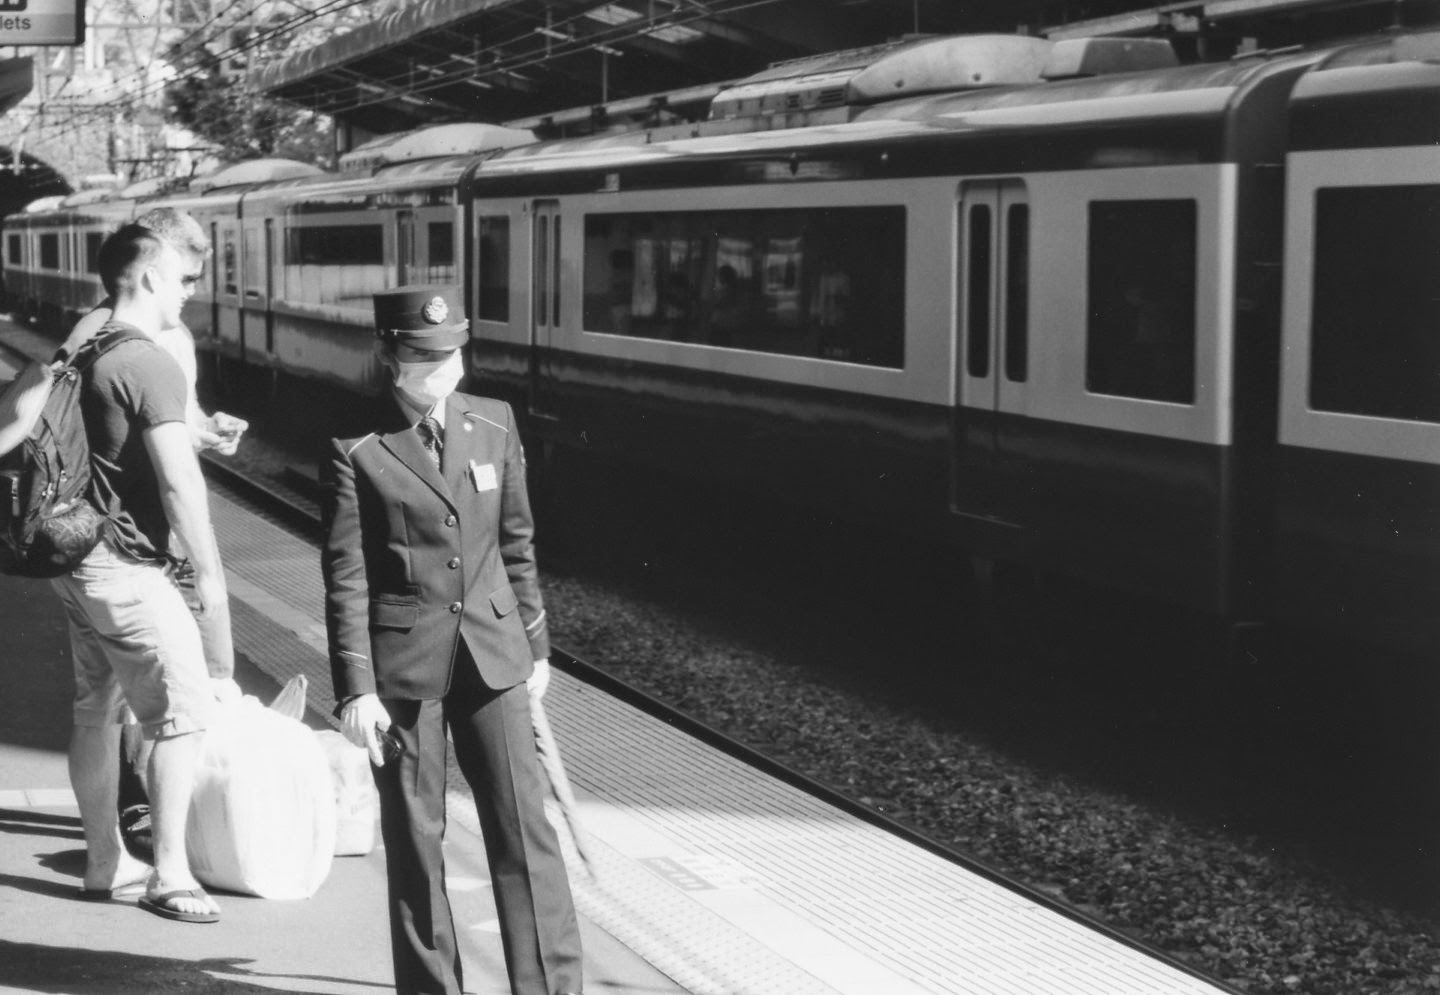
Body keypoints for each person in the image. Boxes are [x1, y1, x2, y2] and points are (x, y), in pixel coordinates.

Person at [320, 285, 583, 995]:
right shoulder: (354, 445)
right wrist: (356, 690)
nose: (443, 368)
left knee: (525, 832)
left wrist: (536, 647)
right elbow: (346, 574)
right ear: (391, 356)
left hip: (494, 655)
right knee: (416, 840)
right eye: (425, 356)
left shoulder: (494, 422)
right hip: (403, 668)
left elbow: (517, 544)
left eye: (453, 354)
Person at [50, 222, 236, 923]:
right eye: (184, 279)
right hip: (126, 567)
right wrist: (210, 579)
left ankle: (106, 861)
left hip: (76, 558)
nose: (190, 293)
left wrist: (196, 429)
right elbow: (179, 484)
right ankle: (171, 873)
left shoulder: (87, 339)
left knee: (94, 708)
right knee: (180, 716)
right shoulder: (150, 361)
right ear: (151, 276)